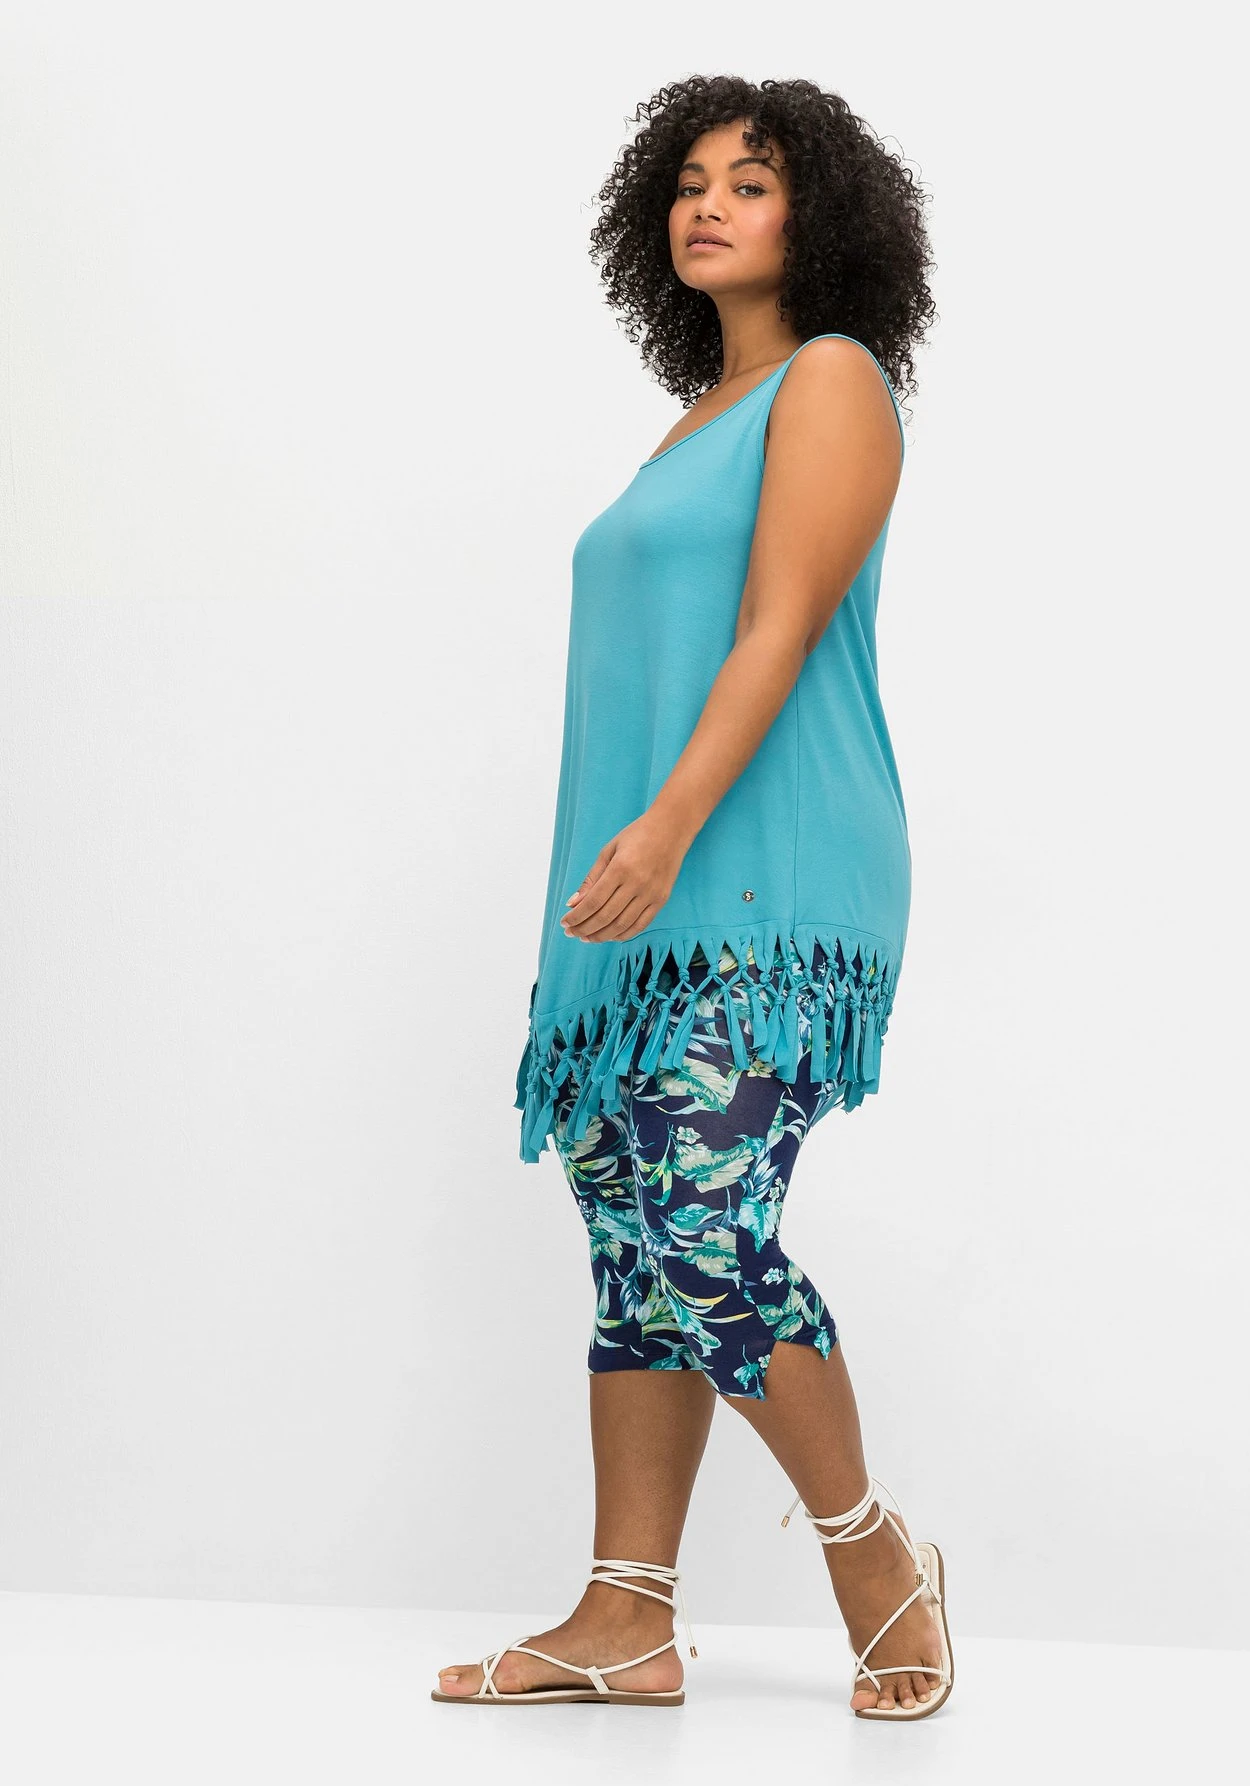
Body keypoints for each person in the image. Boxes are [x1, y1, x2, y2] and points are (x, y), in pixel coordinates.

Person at [434, 75, 952, 1719]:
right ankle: (625, 1613)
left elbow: (778, 632)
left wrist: (664, 828)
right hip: (633, 899)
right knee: (632, 1247)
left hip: (759, 872)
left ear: (823, 216)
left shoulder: (832, 379)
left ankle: (872, 1551)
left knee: (702, 1229)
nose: (707, 202)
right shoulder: (688, 425)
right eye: (687, 181)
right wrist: (626, 855)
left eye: (752, 179)